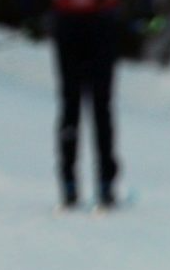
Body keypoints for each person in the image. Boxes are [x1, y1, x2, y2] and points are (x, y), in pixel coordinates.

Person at [27, 0, 129, 208]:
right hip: (96, 23)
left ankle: (72, 184)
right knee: (98, 106)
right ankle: (101, 184)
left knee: (73, 105)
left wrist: (31, 14)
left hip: (74, 23)